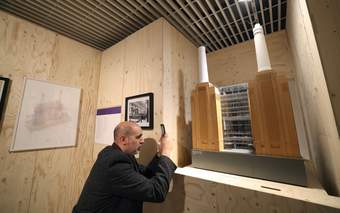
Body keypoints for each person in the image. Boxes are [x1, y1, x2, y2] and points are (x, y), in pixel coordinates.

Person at [72, 121, 176, 213]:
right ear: (123, 140)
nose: (142, 141)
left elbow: (146, 174)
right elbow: (156, 192)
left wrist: (159, 154)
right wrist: (166, 153)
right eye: (138, 137)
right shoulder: (115, 163)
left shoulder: (118, 155)